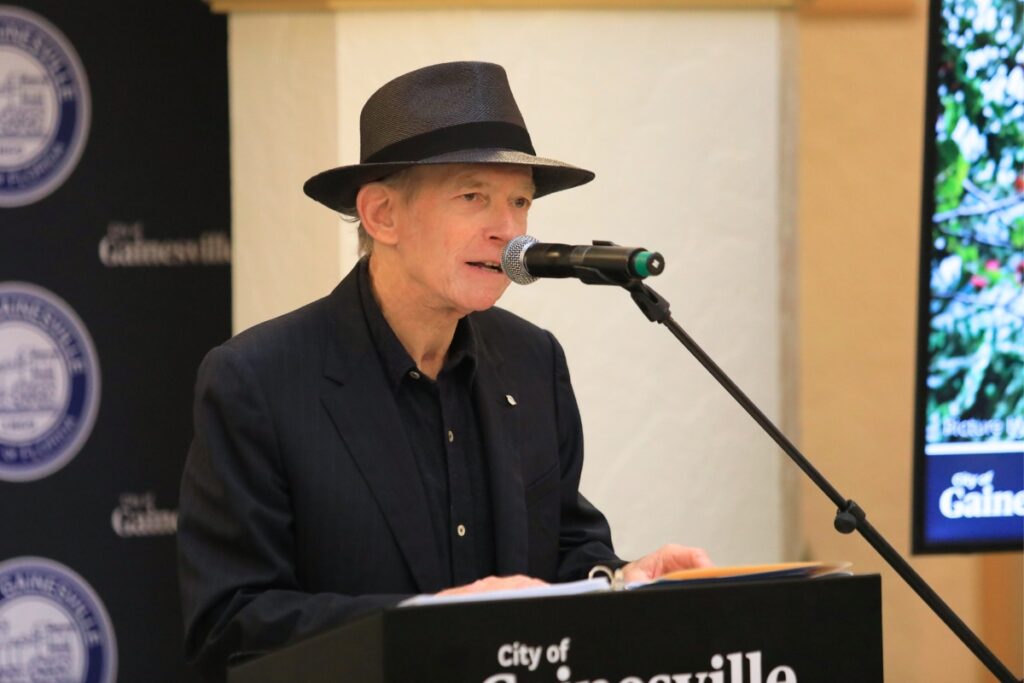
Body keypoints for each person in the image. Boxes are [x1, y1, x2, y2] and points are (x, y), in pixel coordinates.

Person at [177, 61, 711, 681]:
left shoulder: (533, 362)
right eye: (473, 197)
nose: (509, 232)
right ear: (381, 215)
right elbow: (230, 626)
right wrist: (423, 619)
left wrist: (620, 581)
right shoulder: (257, 381)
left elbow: (565, 546)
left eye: (520, 202)